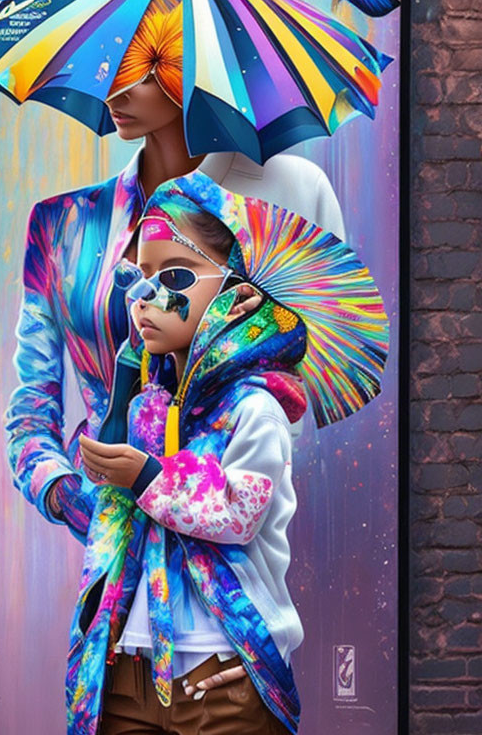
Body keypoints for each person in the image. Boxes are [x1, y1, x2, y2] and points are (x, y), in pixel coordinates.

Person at [5, 0, 345, 714]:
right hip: (113, 601)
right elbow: (30, 417)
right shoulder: (66, 227)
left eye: (140, 57)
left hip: (229, 599)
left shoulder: (287, 197)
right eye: (108, 57)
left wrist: (195, 519)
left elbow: (292, 397)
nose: (115, 80)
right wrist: (97, 505)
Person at [61, 168, 386, 735]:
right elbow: (106, 521)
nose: (145, 298)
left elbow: (237, 513)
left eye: (175, 275)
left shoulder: (253, 409)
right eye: (138, 277)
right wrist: (121, 397)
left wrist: (146, 476)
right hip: (129, 669)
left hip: (220, 669)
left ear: (235, 297)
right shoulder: (145, 406)